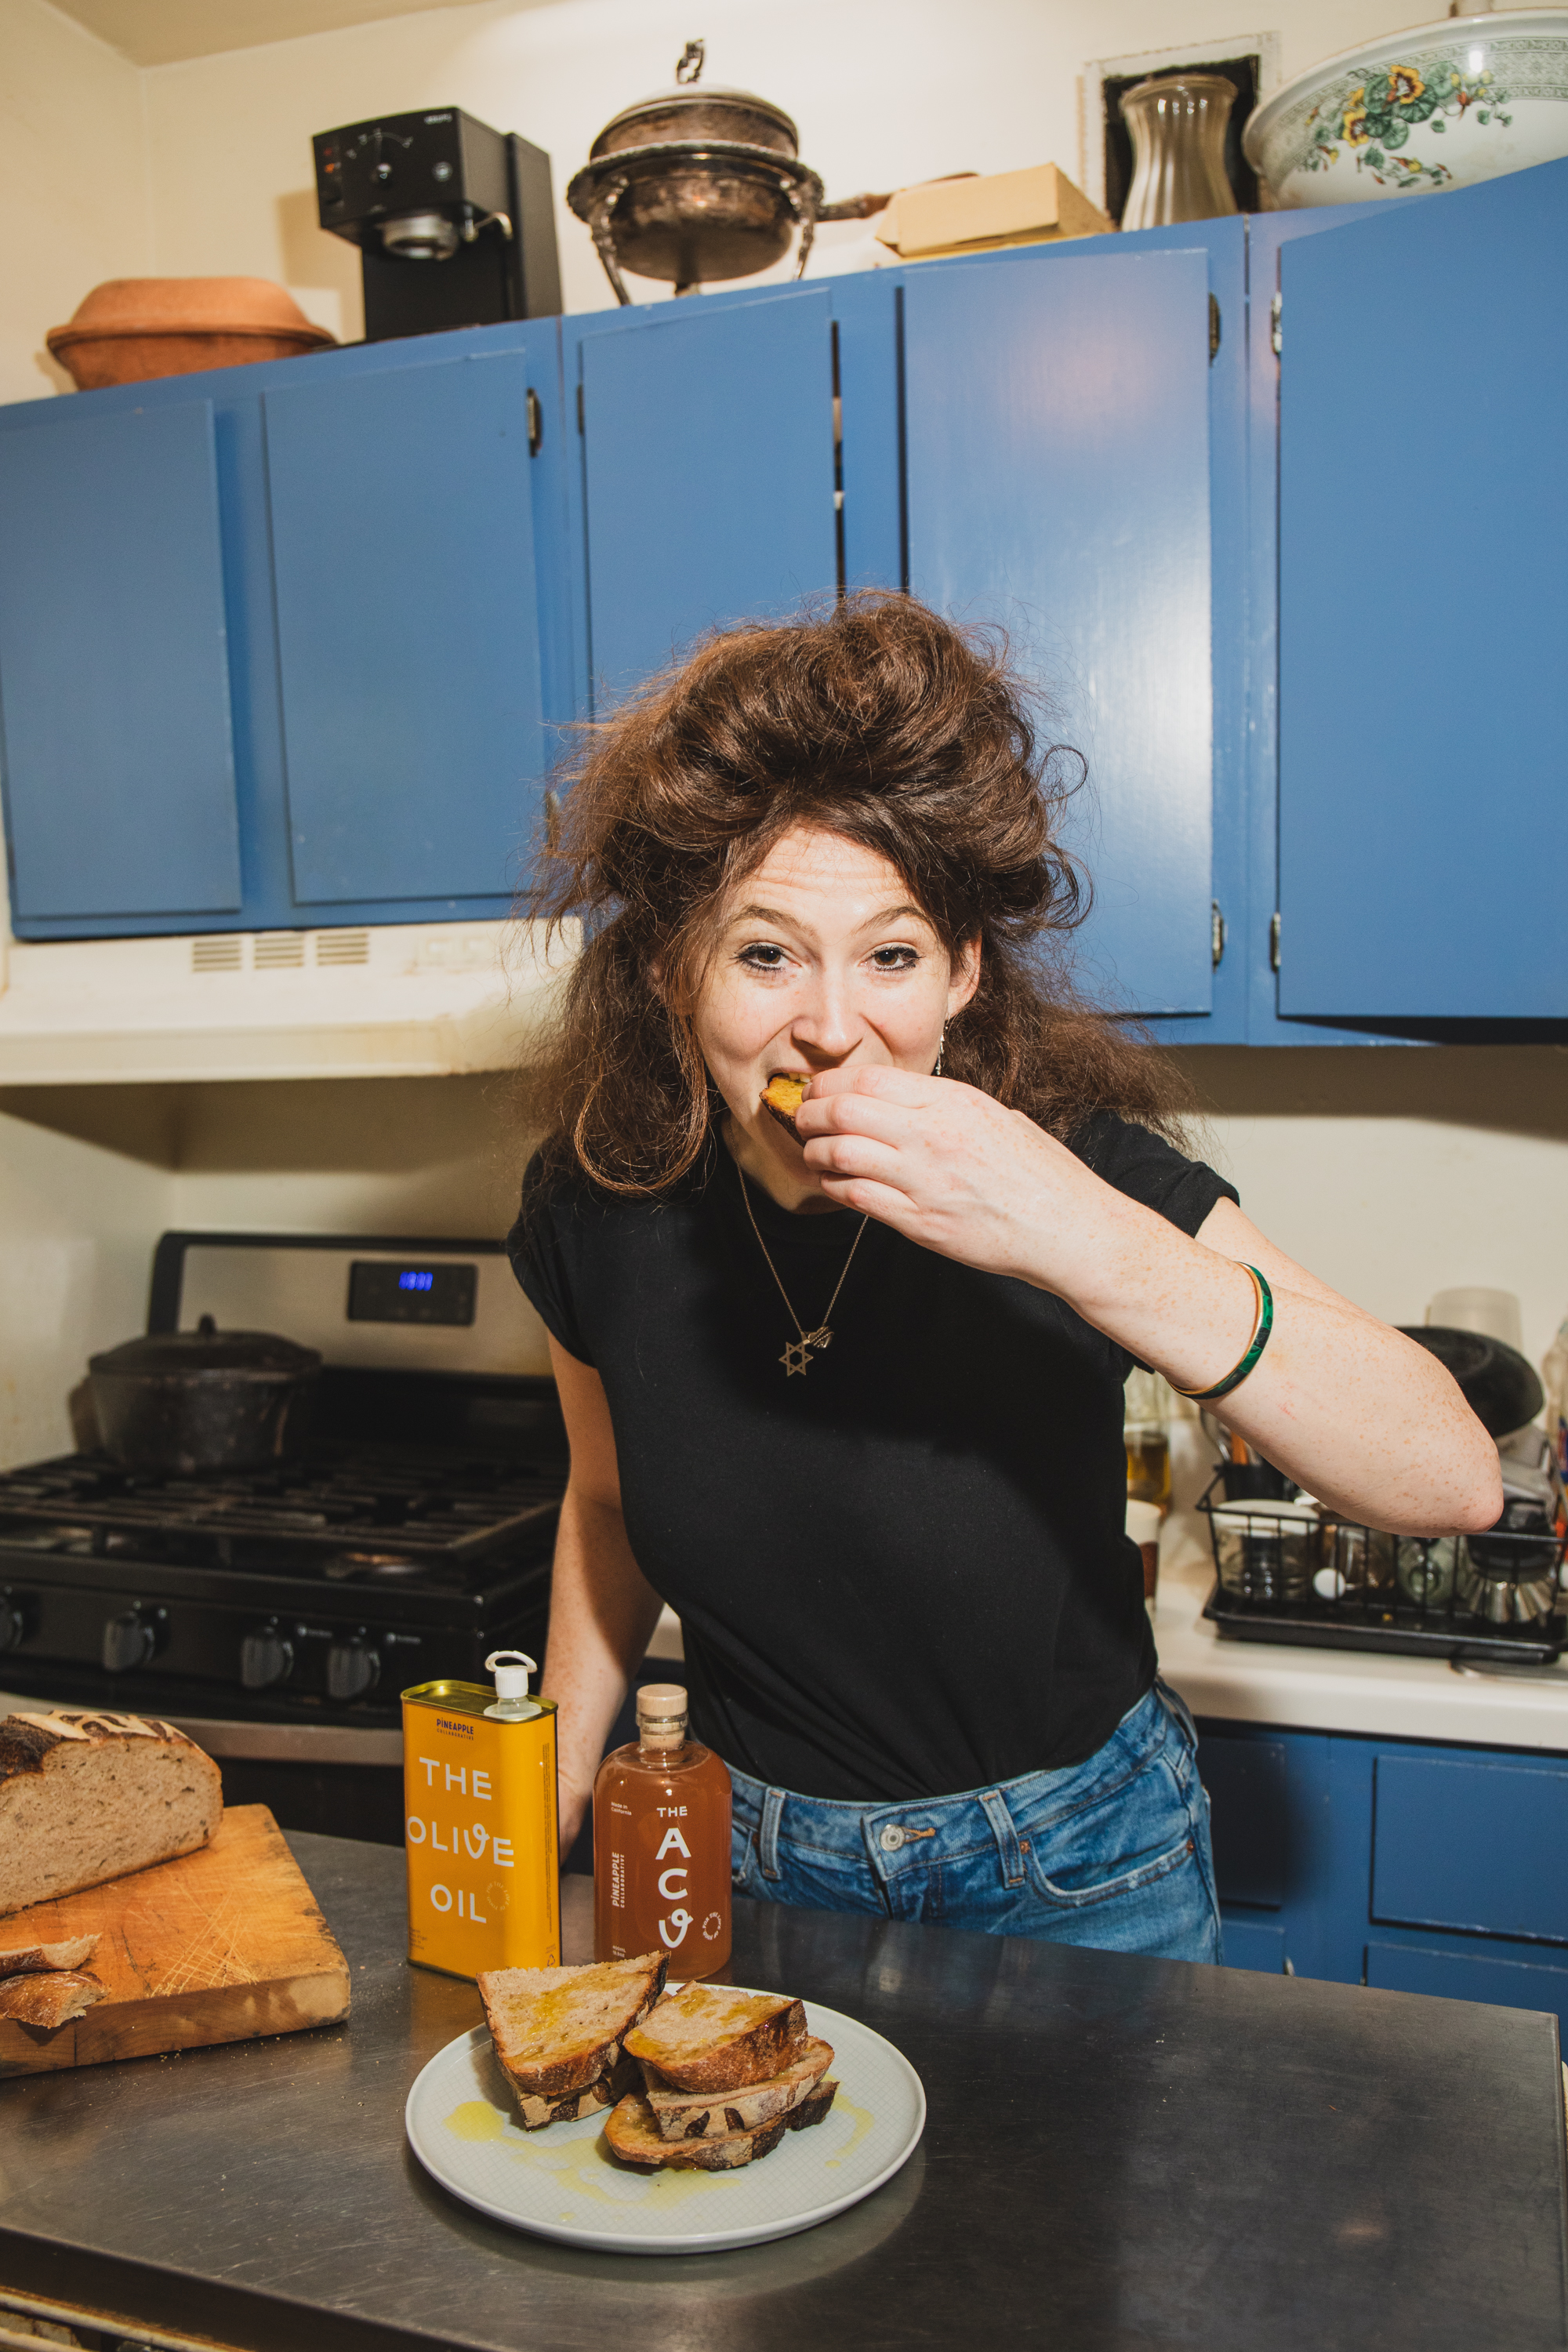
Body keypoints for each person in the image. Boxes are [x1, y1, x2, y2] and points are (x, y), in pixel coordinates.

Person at [509, 594, 1501, 1962]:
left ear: (966, 972)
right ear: (678, 968)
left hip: (1082, 1875)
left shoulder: (1077, 1171)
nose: (834, 1026)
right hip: (753, 1869)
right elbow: (609, 1498)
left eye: (894, 956)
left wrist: (1080, 1235)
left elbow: (1445, 1479)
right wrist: (558, 1764)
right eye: (764, 953)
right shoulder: (594, 1205)